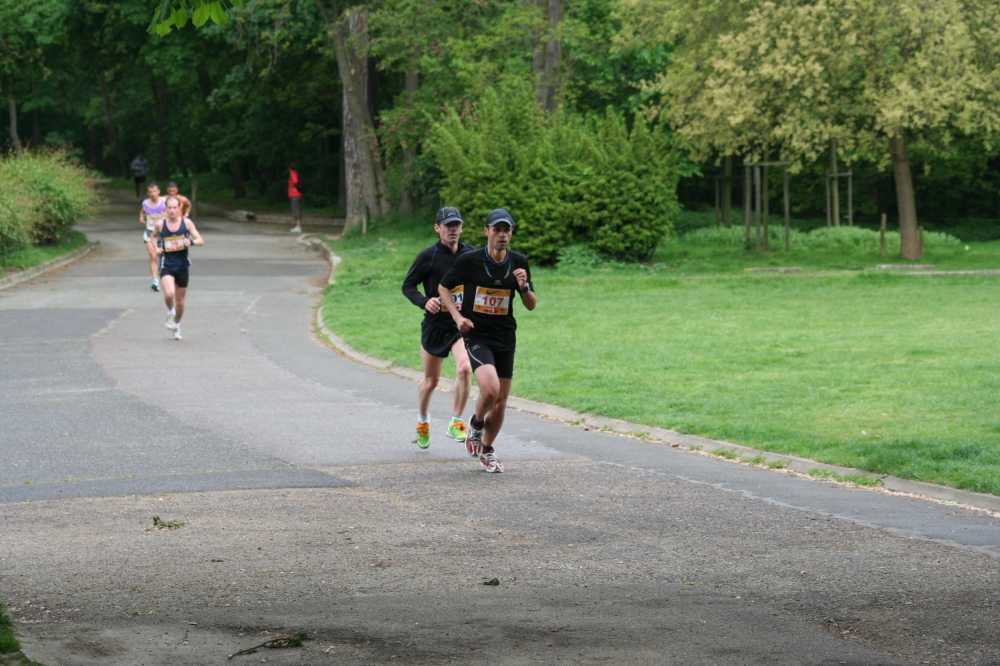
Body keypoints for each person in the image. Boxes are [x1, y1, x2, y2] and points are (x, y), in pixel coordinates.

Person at [438, 209, 535, 473]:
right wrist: (457, 317)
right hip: (477, 335)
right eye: (497, 230)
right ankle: (476, 423)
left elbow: (531, 305)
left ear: (511, 233)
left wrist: (524, 287)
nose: (502, 235)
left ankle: (487, 450)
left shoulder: (518, 262)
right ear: (486, 232)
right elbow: (444, 287)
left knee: (501, 401)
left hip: (505, 337)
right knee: (490, 390)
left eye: (506, 230)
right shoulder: (470, 261)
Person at [402, 207, 476, 450]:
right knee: (431, 381)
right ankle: (423, 420)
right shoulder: (429, 256)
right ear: (438, 228)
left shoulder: (471, 254)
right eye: (447, 226)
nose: (452, 229)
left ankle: (456, 420)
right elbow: (408, 286)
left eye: (456, 225)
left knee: (464, 369)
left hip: (460, 325)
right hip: (436, 325)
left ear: (461, 228)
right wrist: (425, 301)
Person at [150, 196, 204, 341]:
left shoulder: (186, 223)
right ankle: (170, 311)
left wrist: (191, 242)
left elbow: (200, 240)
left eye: (175, 208)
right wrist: (156, 248)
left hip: (182, 266)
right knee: (169, 294)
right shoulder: (161, 224)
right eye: (170, 208)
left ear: (179, 208)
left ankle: (177, 326)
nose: (172, 211)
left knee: (180, 302)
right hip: (167, 264)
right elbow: (153, 237)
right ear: (166, 208)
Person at [140, 183, 166, 291]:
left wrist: (166, 216)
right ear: (148, 193)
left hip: (163, 233)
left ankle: (164, 275)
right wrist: (141, 218)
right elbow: (143, 211)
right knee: (153, 256)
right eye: (150, 192)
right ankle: (155, 281)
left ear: (158, 191)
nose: (153, 194)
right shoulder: (145, 203)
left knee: (164, 258)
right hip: (150, 233)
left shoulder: (164, 201)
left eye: (154, 191)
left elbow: (174, 213)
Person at [288, 163, 303, 233]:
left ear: (290, 169)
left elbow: (295, 181)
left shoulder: (293, 174)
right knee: (297, 210)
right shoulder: (296, 173)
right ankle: (298, 226)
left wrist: (293, 186)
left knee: (296, 210)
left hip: (295, 195)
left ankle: (298, 227)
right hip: (296, 195)